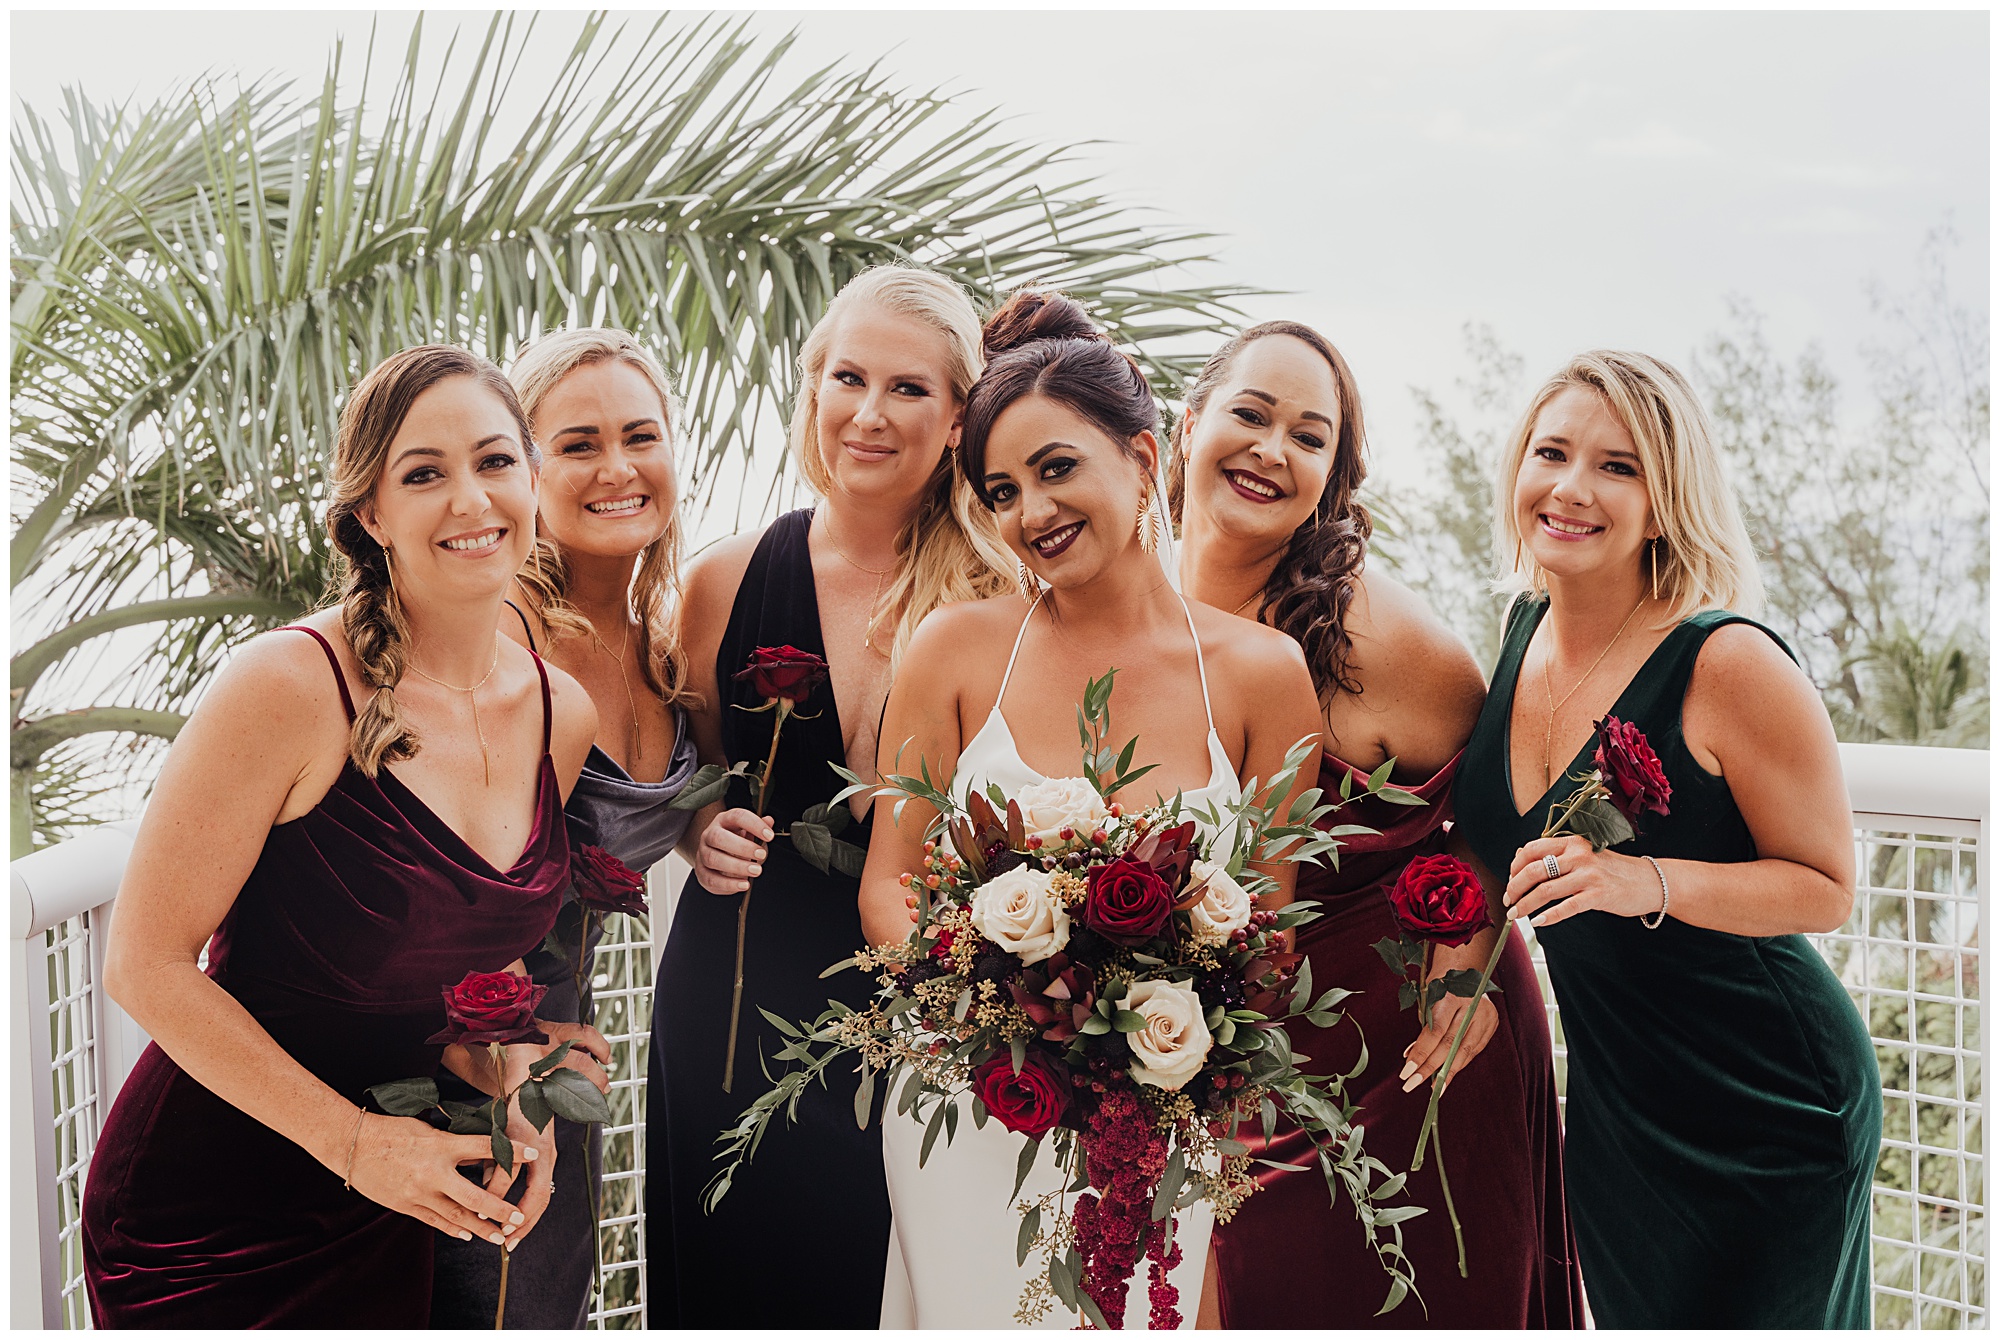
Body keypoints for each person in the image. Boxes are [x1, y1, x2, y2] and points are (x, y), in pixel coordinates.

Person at [81, 345, 600, 1327]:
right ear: (370, 514)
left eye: (494, 461)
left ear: (533, 478)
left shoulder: (558, 710)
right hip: (212, 1215)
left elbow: (473, 953)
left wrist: (512, 1070)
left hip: (399, 1197)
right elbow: (144, 964)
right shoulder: (287, 686)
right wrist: (356, 1141)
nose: (469, 498)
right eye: (423, 473)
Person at [857, 291, 1326, 1329]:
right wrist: (1002, 1010)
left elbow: (1272, 936)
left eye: (1056, 467)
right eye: (1000, 489)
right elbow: (887, 881)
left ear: (1144, 460)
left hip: (1153, 1119)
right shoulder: (951, 648)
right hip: (971, 1102)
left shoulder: (1263, 674)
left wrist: (1145, 1043)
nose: (1031, 511)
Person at [1455, 350, 1880, 1328]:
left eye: (1617, 465)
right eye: (1549, 451)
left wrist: (1637, 878)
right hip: (1616, 1102)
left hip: (1770, 1104)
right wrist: (1454, 968)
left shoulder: (1724, 661)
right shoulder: (1521, 628)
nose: (1568, 487)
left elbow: (1823, 885)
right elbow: (1490, 840)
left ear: (1664, 498)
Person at [1172, 322, 1583, 1326]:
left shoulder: (1378, 638)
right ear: (1186, 426)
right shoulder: (1131, 602)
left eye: (1308, 437)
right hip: (1234, 1055)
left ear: (1331, 479)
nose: (1272, 448)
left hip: (1413, 1051)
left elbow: (1499, 798)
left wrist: (1473, 940)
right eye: (1250, 414)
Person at [647, 264, 1013, 1327]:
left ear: (956, 420)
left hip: (931, 1016)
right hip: (732, 1007)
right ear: (811, 389)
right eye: (846, 376)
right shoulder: (722, 579)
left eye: (908, 388)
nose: (868, 411)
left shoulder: (1003, 594)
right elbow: (696, 777)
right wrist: (696, 831)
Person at [428, 328, 702, 1327]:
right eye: (577, 443)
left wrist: (697, 822)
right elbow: (442, 874)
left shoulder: (663, 644)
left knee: (544, 1299)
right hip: (464, 1057)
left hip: (561, 1057)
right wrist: (504, 1043)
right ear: (523, 468)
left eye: (642, 435)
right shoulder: (503, 633)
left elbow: (624, 811)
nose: (618, 467)